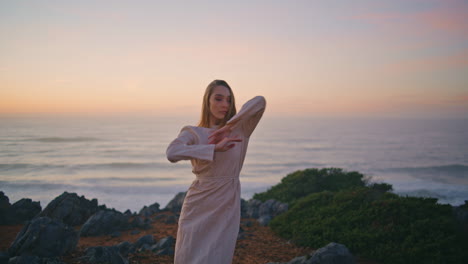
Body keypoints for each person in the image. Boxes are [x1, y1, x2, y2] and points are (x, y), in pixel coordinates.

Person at [166, 79, 266, 264]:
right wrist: (212, 149)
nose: (224, 105)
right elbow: (172, 153)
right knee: (189, 256)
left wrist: (229, 126)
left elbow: (260, 102)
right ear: (207, 101)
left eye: (228, 100)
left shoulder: (240, 130)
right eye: (218, 99)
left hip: (227, 202)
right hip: (199, 202)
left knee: (218, 256)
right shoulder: (193, 132)